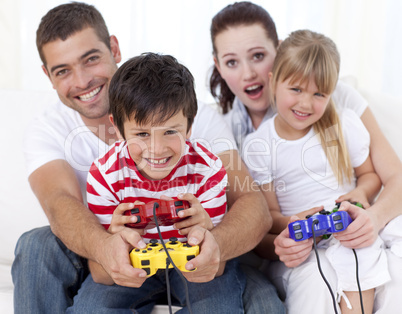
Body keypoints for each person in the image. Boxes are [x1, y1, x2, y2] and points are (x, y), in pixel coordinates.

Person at [12, 2, 284, 313]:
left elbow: (250, 203)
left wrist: (215, 243)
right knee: (36, 245)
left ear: (113, 48)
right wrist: (105, 249)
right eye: (63, 70)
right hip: (106, 247)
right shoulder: (50, 131)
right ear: (47, 75)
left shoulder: (192, 117)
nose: (83, 80)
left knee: (263, 303)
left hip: (192, 256)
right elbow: (61, 205)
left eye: (91, 59)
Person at [209, 2, 402, 312]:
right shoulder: (235, 136)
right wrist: (291, 232)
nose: (248, 74)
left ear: (279, 51)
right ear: (218, 66)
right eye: (232, 62)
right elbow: (261, 220)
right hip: (297, 248)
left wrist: (367, 208)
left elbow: (383, 176)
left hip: (351, 230)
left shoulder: (337, 109)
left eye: (257, 55)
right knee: (318, 277)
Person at [65, 52, 245, 312]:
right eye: (141, 133)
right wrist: (112, 242)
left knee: (217, 307)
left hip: (190, 266)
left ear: (190, 125)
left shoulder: (208, 169)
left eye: (171, 131)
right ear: (117, 128)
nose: (157, 149)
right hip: (134, 264)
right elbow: (101, 274)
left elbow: (216, 268)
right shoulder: (105, 174)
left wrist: (207, 234)